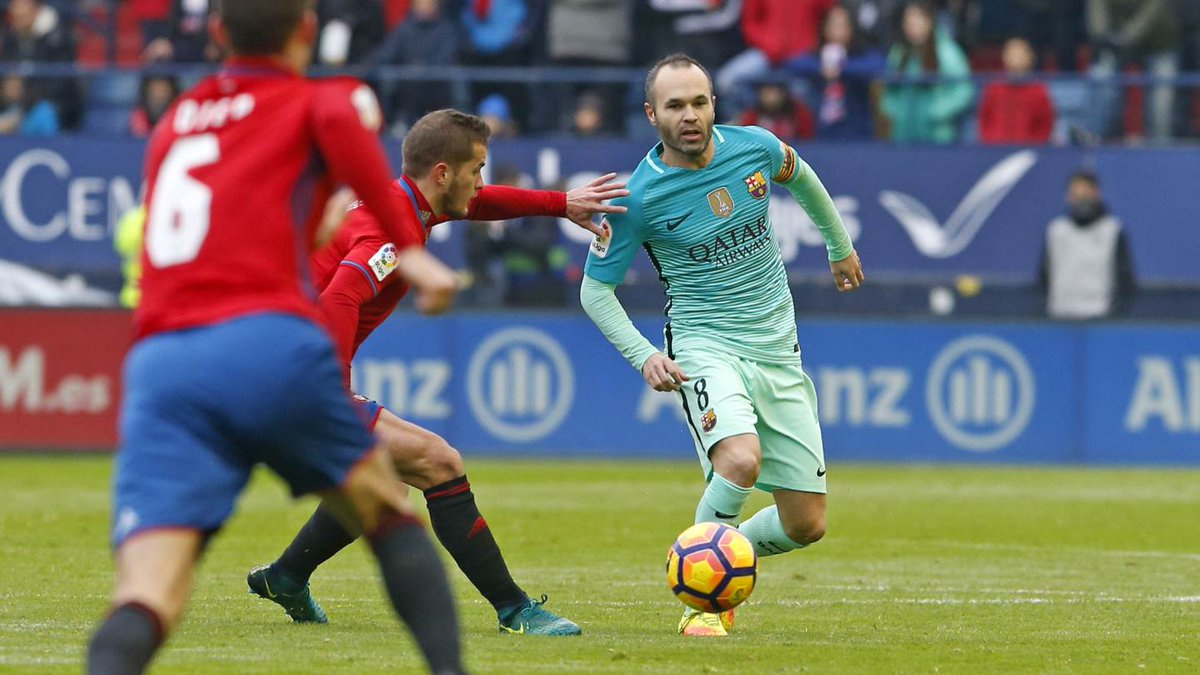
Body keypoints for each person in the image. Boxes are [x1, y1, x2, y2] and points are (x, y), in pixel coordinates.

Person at [85, 2, 466, 674]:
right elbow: (370, 175)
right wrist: (414, 257)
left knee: (148, 592)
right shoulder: (320, 101)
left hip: (163, 362)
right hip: (265, 343)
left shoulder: (177, 119)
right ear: (307, 31)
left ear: (217, 32)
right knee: (388, 507)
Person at [246, 109, 629, 636]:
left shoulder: (405, 202)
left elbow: (480, 204)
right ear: (443, 174)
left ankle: (286, 577)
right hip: (289, 377)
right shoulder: (393, 228)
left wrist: (560, 204)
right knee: (438, 461)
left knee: (386, 481)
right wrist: (333, 390)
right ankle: (514, 609)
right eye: (477, 169)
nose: (481, 181)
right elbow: (342, 294)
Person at [580, 53, 863, 638]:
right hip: (704, 344)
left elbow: (802, 176)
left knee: (806, 524)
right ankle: (702, 600)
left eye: (698, 102)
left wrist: (839, 246)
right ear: (651, 114)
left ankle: (708, 548)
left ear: (714, 104)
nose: (689, 116)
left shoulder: (755, 147)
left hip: (778, 349)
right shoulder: (638, 197)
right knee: (738, 460)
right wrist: (644, 355)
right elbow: (595, 290)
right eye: (675, 106)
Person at [1037, 169, 1136, 319]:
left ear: (1097, 194)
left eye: (1085, 195)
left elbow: (1125, 279)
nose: (1081, 201)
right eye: (1076, 195)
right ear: (1068, 197)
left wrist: (1115, 316)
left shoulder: (1112, 230)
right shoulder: (1056, 231)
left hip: (1100, 316)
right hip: (1059, 315)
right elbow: (1044, 276)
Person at [881, 0, 974, 144]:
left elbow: (964, 90)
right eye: (908, 21)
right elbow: (889, 90)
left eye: (917, 19)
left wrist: (937, 111)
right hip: (903, 135)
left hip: (937, 137)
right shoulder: (899, 52)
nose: (912, 25)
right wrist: (897, 111)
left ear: (929, 21)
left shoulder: (947, 51)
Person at [788, 4, 885, 140]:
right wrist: (821, 67)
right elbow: (793, 64)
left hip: (857, 135)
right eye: (833, 25)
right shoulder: (815, 57)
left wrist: (841, 69)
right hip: (822, 135)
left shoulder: (860, 54)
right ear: (825, 28)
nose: (838, 31)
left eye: (842, 25)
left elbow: (878, 65)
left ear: (851, 29)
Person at [977, 36, 1054, 144]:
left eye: (1020, 55)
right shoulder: (994, 88)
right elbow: (985, 119)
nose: (1016, 58)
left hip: (1029, 150)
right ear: (1004, 57)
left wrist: (1035, 146)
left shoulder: (1038, 91)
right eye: (1012, 54)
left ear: (1030, 57)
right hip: (996, 149)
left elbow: (1045, 124)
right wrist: (990, 143)